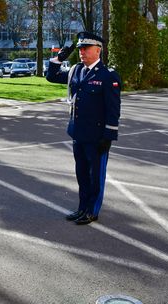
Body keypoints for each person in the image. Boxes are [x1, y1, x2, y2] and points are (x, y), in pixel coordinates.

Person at [46, 31, 121, 225]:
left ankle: (92, 211)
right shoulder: (76, 70)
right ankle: (82, 208)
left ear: (98, 50)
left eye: (86, 49)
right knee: (81, 174)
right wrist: (59, 58)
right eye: (80, 49)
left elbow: (113, 110)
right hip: (78, 133)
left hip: (97, 136)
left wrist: (109, 135)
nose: (82, 52)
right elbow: (51, 77)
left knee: (95, 176)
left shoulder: (108, 75)